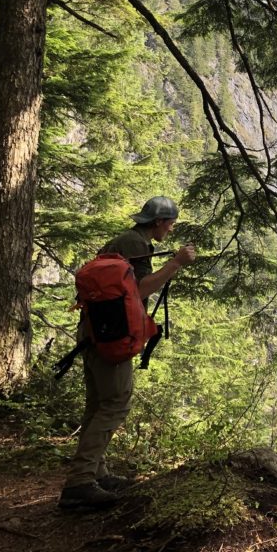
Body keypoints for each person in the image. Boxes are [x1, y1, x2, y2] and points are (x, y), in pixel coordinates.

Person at [58, 196, 196, 509]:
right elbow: (140, 290)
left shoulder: (123, 242)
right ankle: (79, 482)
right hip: (111, 337)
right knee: (116, 403)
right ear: (159, 222)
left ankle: (97, 473)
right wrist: (175, 263)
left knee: (98, 404)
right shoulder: (135, 244)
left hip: (94, 332)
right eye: (171, 223)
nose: (171, 229)